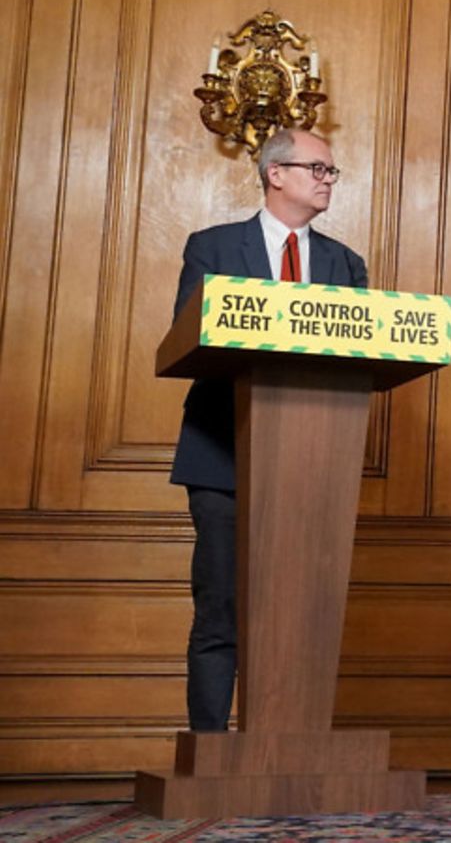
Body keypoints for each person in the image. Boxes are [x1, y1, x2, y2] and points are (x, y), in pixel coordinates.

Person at [169, 127, 368, 731]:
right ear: (275, 173)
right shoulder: (212, 248)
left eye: (332, 172)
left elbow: (359, 355)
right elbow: (188, 339)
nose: (327, 180)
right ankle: (208, 752)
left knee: (298, 615)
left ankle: (291, 746)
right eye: (317, 168)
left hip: (313, 462)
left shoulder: (345, 264)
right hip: (223, 457)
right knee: (221, 610)